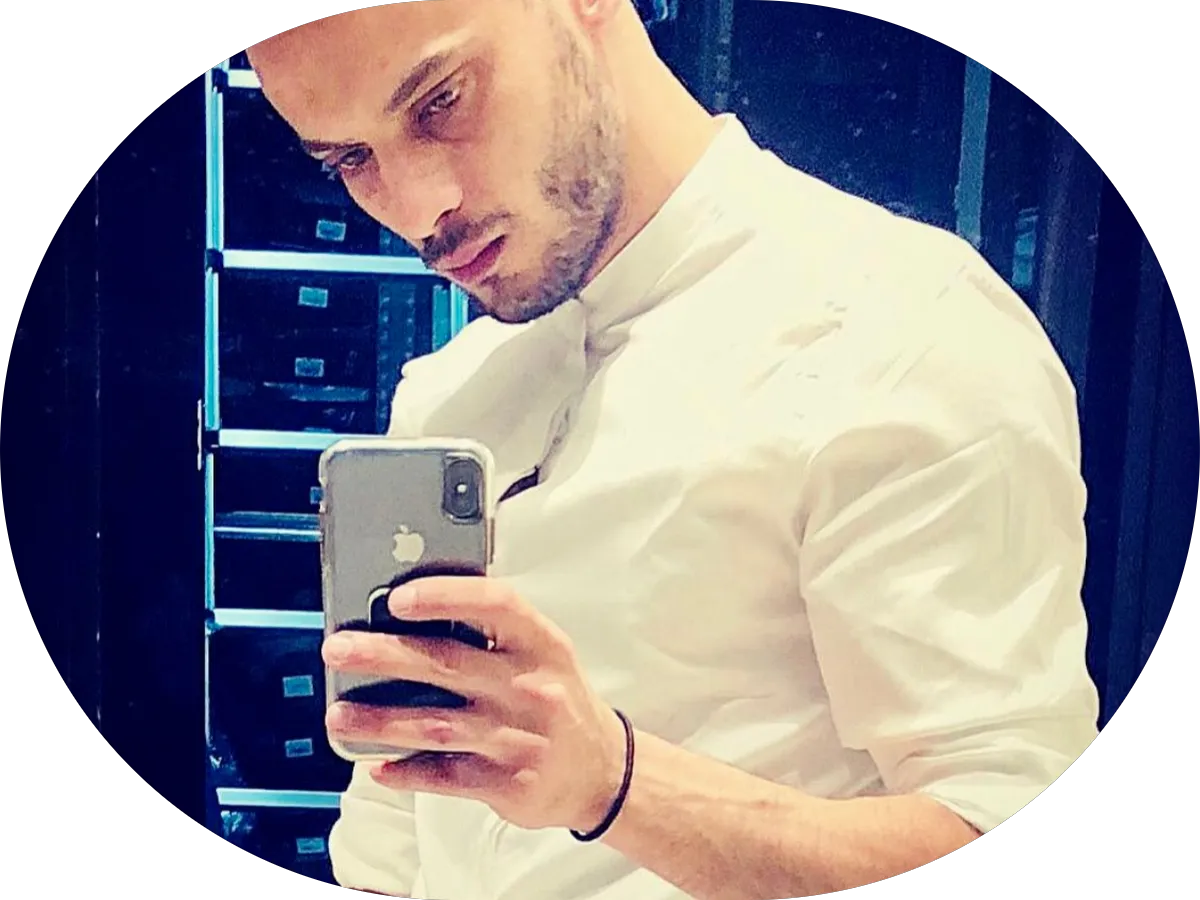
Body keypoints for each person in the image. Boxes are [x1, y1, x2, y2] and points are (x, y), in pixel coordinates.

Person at [246, 1, 1100, 897]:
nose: (421, 209)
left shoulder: (909, 335)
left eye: (442, 101)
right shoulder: (450, 391)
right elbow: (392, 836)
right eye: (349, 160)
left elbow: (991, 811)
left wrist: (615, 783)